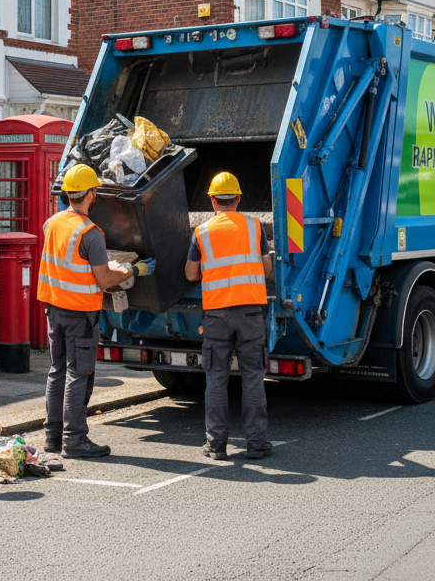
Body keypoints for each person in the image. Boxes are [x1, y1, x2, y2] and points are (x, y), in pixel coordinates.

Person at [37, 164, 156, 459]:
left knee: (57, 371)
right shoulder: (91, 233)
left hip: (54, 310)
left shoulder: (51, 223)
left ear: (67, 193)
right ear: (91, 194)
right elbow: (104, 279)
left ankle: (53, 437)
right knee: (78, 374)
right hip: (80, 314)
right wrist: (134, 270)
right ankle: (75, 440)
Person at [185, 172, 274, 461]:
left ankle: (216, 445)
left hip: (217, 316)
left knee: (216, 380)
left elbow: (190, 274)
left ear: (212, 200)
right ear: (238, 199)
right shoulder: (254, 226)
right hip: (250, 314)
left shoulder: (202, 232)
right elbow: (267, 268)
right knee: (253, 379)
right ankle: (257, 444)